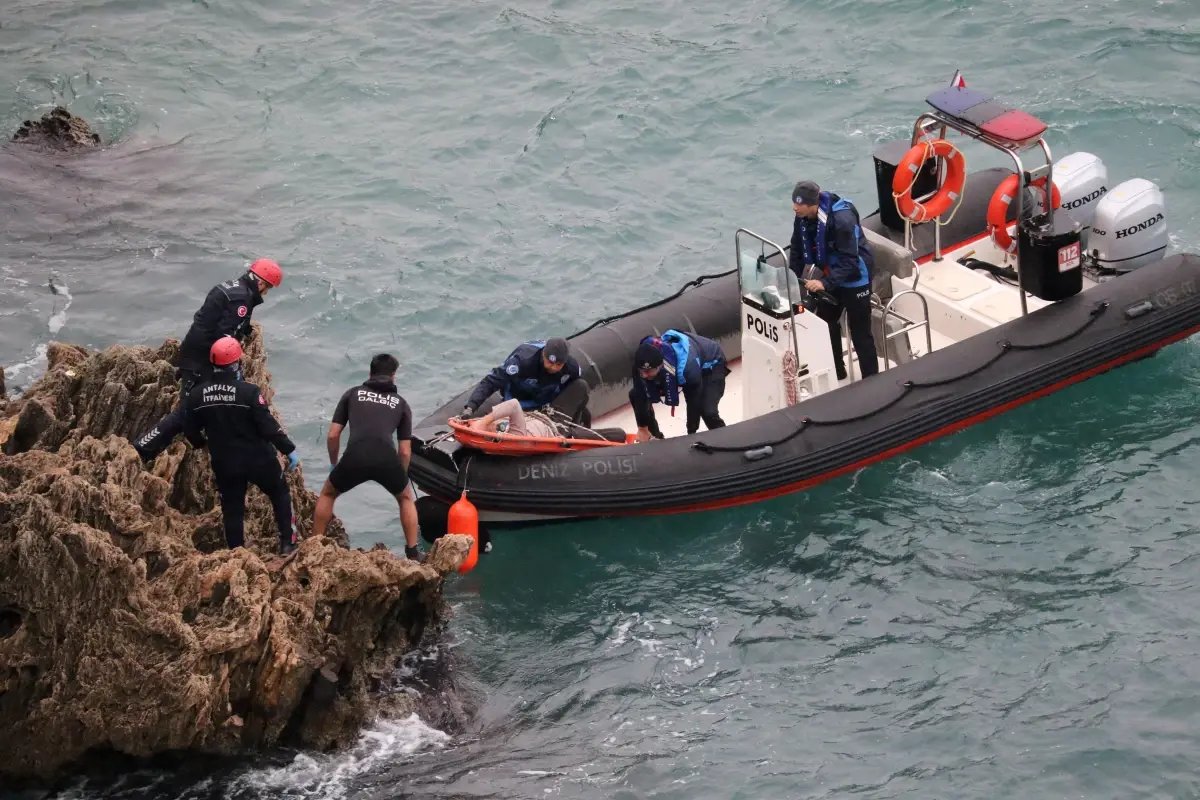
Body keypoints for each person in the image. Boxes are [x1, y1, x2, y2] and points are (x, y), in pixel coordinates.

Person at [133, 258, 284, 462]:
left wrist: (245, 331)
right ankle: (143, 447)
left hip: (195, 350)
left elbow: (216, 320)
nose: (266, 293)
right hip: (202, 359)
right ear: (261, 282)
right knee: (186, 411)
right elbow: (223, 336)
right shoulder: (241, 300)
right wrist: (230, 368)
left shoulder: (233, 287)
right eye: (268, 288)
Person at [183, 336, 300, 554]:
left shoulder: (197, 395)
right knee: (280, 493)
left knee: (232, 508)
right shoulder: (249, 392)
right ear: (236, 363)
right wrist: (289, 449)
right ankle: (287, 544)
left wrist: (202, 444)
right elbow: (269, 427)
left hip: (225, 462)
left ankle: (236, 552)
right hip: (259, 459)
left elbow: (189, 429)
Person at [312, 353, 422, 561]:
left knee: (328, 494)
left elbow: (333, 435)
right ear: (393, 376)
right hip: (385, 458)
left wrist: (334, 464)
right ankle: (412, 552)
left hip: (356, 455)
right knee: (405, 498)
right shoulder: (401, 404)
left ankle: (314, 546)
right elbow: (405, 451)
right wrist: (402, 476)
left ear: (370, 372)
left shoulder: (352, 394)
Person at [787, 180, 879, 379]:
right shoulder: (802, 217)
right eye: (794, 201)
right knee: (826, 321)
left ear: (813, 204)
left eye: (799, 203)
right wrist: (790, 276)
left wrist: (824, 283)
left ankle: (872, 379)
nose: (794, 207)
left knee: (860, 333)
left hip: (856, 278)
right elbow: (797, 248)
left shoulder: (841, 221)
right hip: (832, 273)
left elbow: (850, 261)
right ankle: (837, 369)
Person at [460, 337, 590, 425]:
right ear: (543, 354)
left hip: (546, 402)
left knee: (581, 386)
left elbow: (573, 388)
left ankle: (569, 427)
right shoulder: (522, 361)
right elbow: (491, 381)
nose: (553, 367)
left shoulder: (571, 367)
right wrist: (471, 406)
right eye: (550, 362)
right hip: (518, 400)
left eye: (558, 365)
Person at [630, 329, 727, 443]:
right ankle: (655, 438)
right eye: (643, 372)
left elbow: (693, 402)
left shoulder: (688, 370)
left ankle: (725, 440)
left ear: (661, 366)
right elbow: (639, 394)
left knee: (707, 411)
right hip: (679, 363)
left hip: (711, 364)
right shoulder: (641, 365)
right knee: (634, 395)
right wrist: (642, 428)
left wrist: (691, 434)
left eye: (649, 371)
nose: (645, 375)